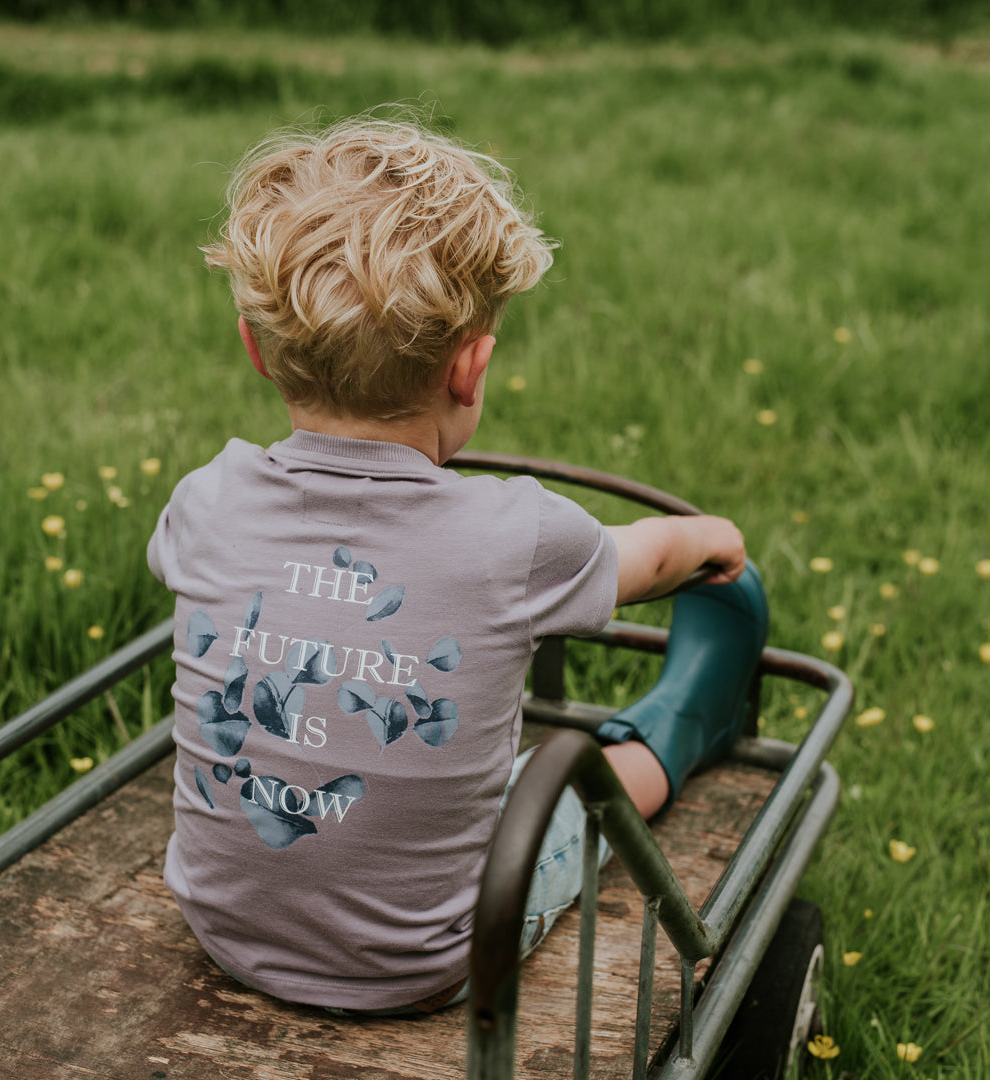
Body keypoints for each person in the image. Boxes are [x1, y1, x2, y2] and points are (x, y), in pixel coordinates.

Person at [147, 113, 767, 1016]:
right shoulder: (515, 535)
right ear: (472, 370)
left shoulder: (206, 502)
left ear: (256, 353)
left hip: (222, 924)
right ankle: (674, 733)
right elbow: (647, 558)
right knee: (561, 790)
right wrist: (713, 540)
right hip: (423, 962)